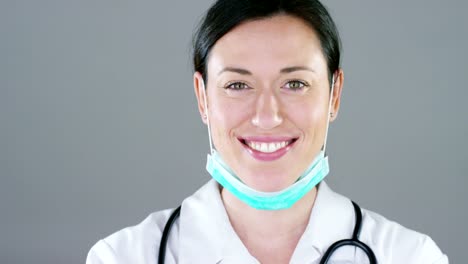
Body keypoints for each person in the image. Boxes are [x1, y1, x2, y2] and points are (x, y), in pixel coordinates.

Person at [86, 0, 449, 263]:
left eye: (294, 83)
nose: (266, 116)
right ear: (202, 97)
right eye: (238, 86)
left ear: (334, 94)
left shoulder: (410, 256)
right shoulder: (124, 256)